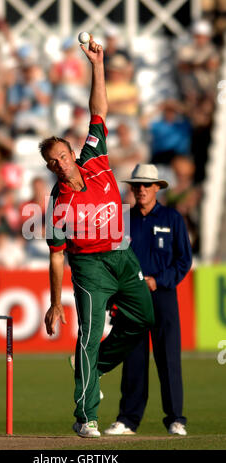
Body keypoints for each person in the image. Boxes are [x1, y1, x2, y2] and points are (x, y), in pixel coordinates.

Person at [40, 36, 154, 438]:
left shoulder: (96, 157)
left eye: (63, 156)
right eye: (52, 162)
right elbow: (56, 257)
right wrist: (55, 304)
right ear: (50, 167)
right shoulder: (57, 204)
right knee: (88, 336)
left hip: (122, 256)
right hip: (88, 266)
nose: (60, 163)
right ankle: (86, 416)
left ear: (73, 153)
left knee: (144, 318)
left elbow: (98, 110)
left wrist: (97, 64)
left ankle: (96, 366)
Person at [104, 164, 192, 437]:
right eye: (137, 185)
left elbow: (184, 260)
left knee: (168, 359)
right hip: (130, 301)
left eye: (146, 185)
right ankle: (128, 420)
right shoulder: (121, 220)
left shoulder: (172, 218)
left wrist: (159, 280)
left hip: (162, 296)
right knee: (133, 360)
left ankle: (176, 418)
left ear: (157, 188)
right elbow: (111, 261)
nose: (141, 190)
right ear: (131, 188)